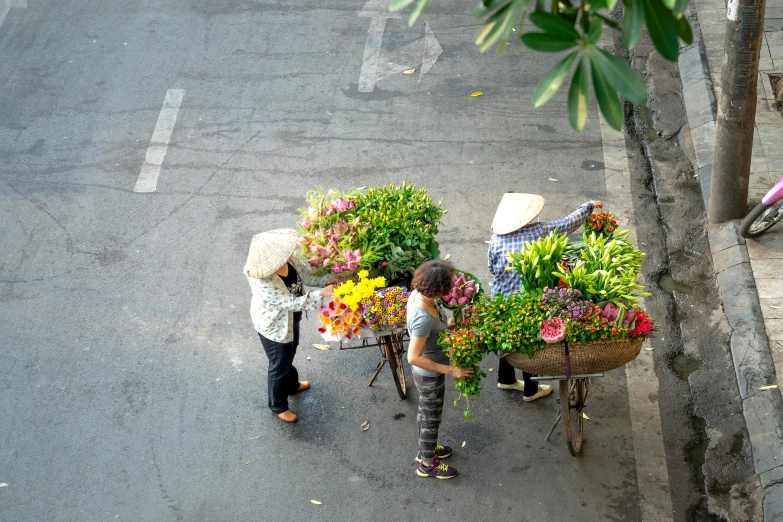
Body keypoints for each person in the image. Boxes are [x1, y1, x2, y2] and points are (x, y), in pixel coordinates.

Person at [488, 193, 603, 401]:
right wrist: (588, 206)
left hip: (500, 300)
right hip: (527, 299)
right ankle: (531, 391)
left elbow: (492, 268)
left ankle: (505, 379)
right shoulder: (539, 231)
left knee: (507, 336)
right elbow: (568, 223)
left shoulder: (496, 240)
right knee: (526, 343)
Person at [244, 228, 336, 423]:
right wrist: (323, 294)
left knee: (290, 352)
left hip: (290, 319)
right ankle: (277, 405)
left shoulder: (289, 260)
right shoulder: (262, 281)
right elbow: (290, 303)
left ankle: (292, 384)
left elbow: (307, 275)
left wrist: (329, 280)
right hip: (274, 327)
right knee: (279, 364)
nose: (288, 256)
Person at [406, 259, 475, 479]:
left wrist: (453, 323)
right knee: (431, 419)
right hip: (430, 375)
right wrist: (451, 370)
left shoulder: (421, 294)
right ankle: (427, 464)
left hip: (432, 372)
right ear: (438, 288)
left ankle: (426, 450)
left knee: (426, 414)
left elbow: (438, 326)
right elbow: (413, 357)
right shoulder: (422, 317)